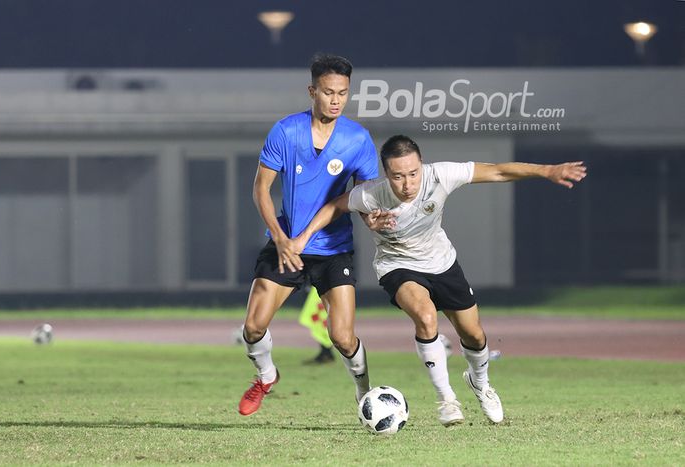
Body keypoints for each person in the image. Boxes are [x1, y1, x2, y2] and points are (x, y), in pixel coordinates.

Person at [284, 135, 587, 426]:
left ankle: (480, 384)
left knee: (475, 336)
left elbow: (497, 171)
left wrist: (548, 171)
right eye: (398, 176)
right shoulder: (372, 192)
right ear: (386, 174)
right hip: (397, 267)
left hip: (443, 264)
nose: (407, 183)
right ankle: (447, 400)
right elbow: (334, 206)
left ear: (422, 166)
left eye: (413, 173)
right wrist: (303, 239)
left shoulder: (441, 175)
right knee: (426, 317)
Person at [238, 54, 386, 416]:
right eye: (328, 92)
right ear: (312, 91)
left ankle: (364, 391)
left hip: (334, 250)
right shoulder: (286, 132)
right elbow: (260, 189)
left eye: (343, 93)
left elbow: (362, 197)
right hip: (286, 244)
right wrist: (279, 237)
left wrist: (373, 220)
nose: (335, 100)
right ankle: (266, 376)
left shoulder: (358, 140)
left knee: (341, 337)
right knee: (253, 327)